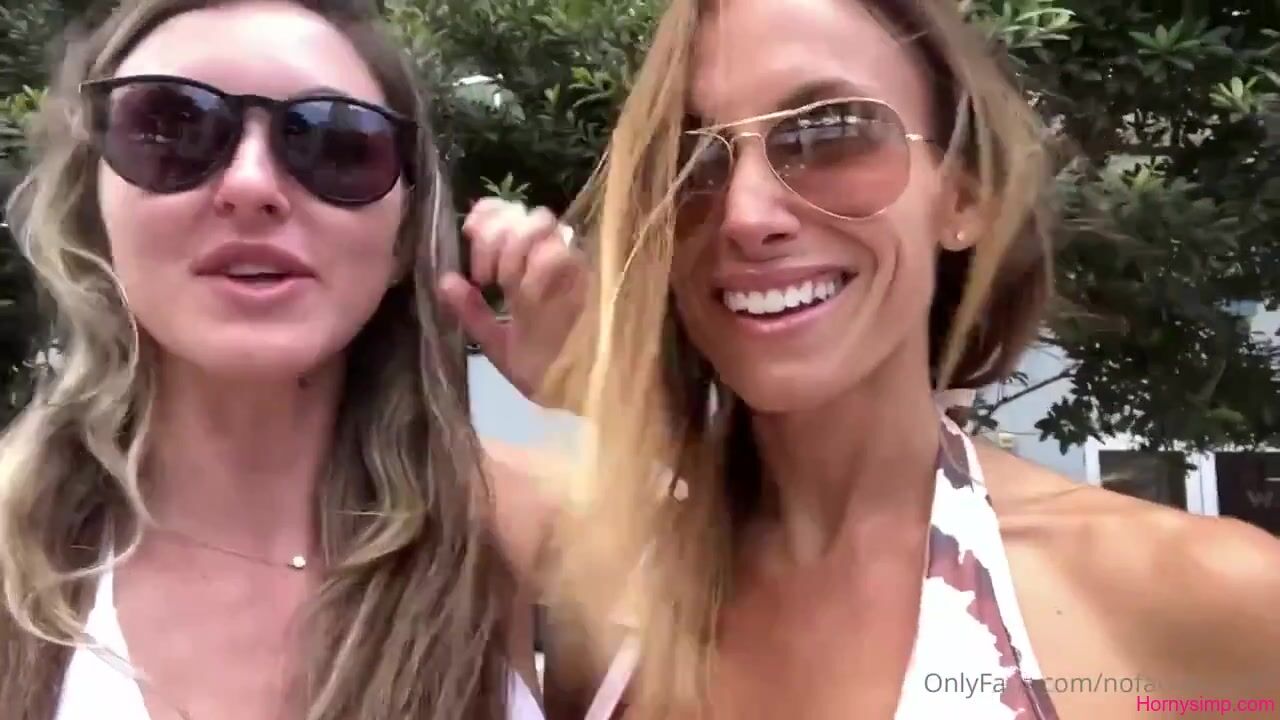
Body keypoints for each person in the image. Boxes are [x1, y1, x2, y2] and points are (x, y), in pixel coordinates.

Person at [456, 0, 1280, 718]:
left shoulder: (1195, 599)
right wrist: (618, 390)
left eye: (830, 133)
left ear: (962, 196)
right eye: (691, 159)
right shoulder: (618, 606)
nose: (746, 215)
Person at [0, 1, 582, 719]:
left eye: (336, 145)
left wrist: (611, 393)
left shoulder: (514, 530)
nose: (251, 186)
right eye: (173, 131)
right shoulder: (13, 556)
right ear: (93, 209)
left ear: (403, 237)